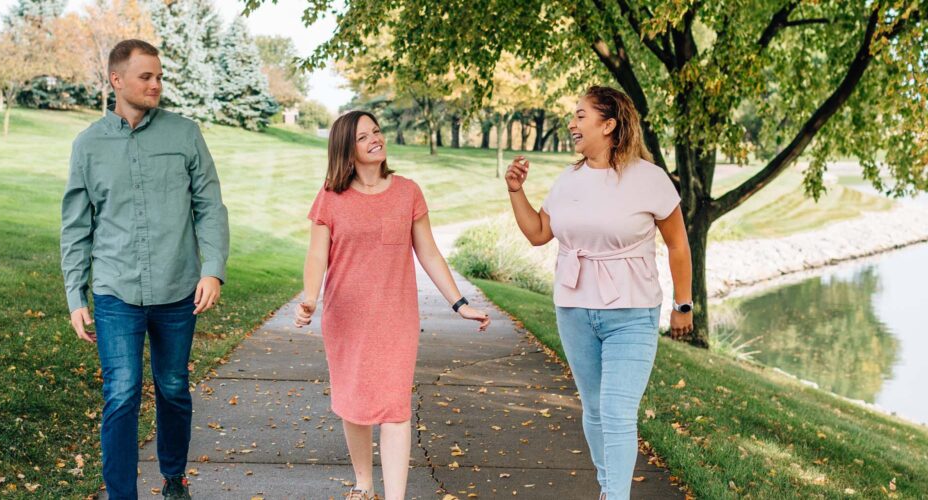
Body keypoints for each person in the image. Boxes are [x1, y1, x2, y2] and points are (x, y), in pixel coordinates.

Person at [504, 85, 693, 500]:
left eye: (580, 115)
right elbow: (538, 233)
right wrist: (516, 191)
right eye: (572, 116)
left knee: (617, 410)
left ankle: (616, 496)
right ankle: (609, 488)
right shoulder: (569, 178)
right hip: (574, 308)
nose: (571, 123)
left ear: (609, 125)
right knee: (593, 409)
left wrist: (684, 304)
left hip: (632, 310)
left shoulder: (650, 178)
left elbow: (679, 244)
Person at [59, 39, 229, 500]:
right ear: (117, 80)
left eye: (159, 76)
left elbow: (209, 206)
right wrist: (76, 295)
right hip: (116, 292)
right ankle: (121, 494)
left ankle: (174, 480)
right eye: (145, 77)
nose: (156, 84)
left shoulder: (185, 134)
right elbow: (76, 226)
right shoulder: (88, 145)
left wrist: (212, 269)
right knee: (122, 393)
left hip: (178, 290)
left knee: (173, 388)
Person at [294, 110, 492, 500]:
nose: (375, 139)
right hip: (345, 317)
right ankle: (364, 485)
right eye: (363, 136)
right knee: (354, 402)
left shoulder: (407, 191)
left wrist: (460, 304)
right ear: (346, 150)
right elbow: (318, 255)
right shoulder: (331, 196)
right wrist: (309, 297)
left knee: (395, 407)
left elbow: (430, 253)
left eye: (377, 131)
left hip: (395, 319)